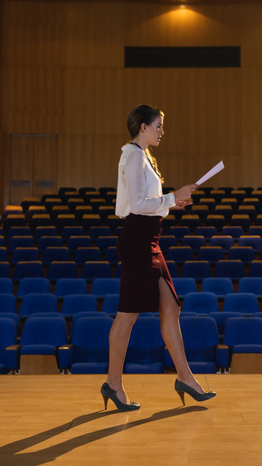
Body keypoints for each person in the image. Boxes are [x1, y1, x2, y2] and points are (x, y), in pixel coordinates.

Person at [100, 104, 216, 411]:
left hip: (149, 238)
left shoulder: (144, 156)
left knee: (171, 308)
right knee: (127, 314)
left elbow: (147, 203)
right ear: (143, 127)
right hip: (138, 240)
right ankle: (113, 384)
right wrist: (172, 196)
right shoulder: (133, 154)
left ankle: (185, 378)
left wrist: (171, 204)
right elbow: (137, 203)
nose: (162, 131)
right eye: (159, 126)